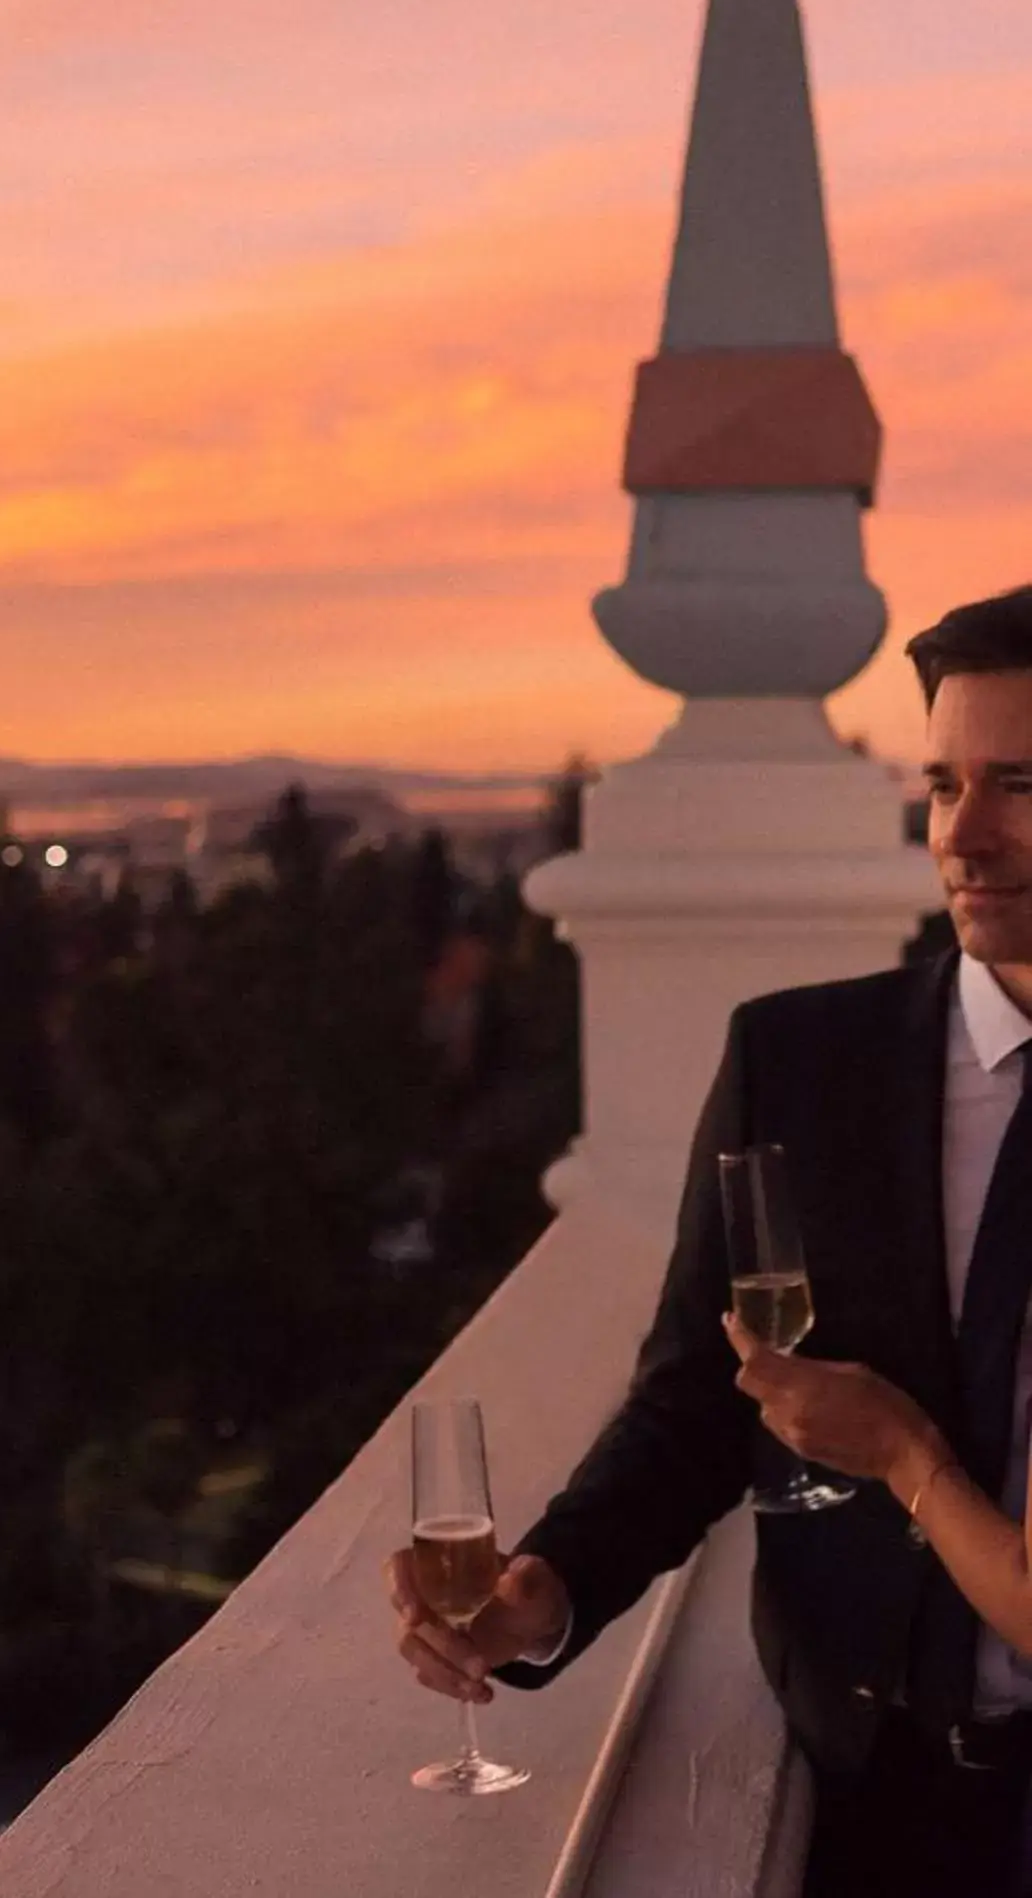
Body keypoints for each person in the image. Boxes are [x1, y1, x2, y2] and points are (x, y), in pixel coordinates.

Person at [383, 581, 1032, 1896]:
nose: (965, 836)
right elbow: (694, 1393)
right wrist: (546, 1590)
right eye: (940, 785)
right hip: (863, 1801)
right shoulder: (800, 1060)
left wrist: (899, 1445)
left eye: (1021, 783)